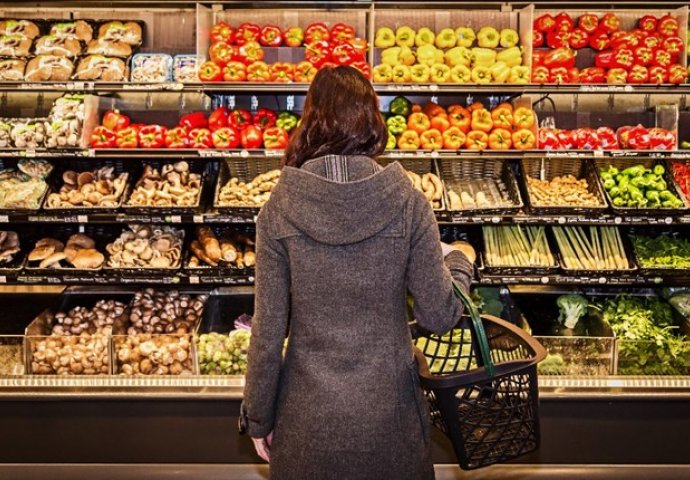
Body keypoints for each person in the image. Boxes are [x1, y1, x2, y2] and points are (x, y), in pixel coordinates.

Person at [241, 65, 475, 480]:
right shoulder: (408, 202)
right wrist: (458, 262)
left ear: (309, 119)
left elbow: (268, 330)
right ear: (372, 118)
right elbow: (438, 315)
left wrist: (258, 417)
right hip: (391, 421)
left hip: (306, 423)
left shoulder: (277, 208)